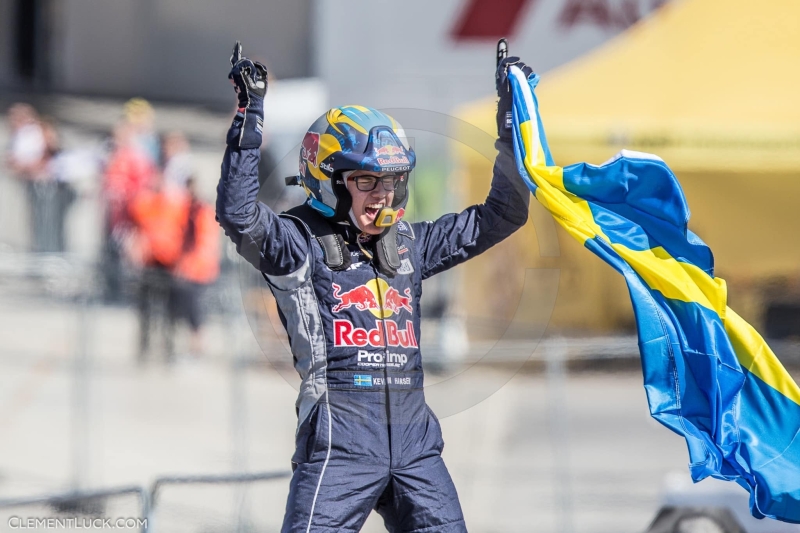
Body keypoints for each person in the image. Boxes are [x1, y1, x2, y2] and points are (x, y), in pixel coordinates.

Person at [216, 43, 532, 532]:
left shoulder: (410, 243)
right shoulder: (295, 242)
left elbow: (503, 214)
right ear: (330, 181)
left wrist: (512, 123)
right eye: (366, 181)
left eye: (391, 181)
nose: (382, 195)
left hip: (416, 448)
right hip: (338, 445)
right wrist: (249, 116)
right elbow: (237, 215)